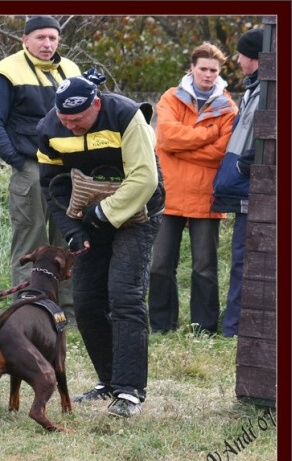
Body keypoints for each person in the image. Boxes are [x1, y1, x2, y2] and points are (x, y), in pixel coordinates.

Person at [36, 72, 165, 417]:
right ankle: (107, 381)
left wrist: (104, 214)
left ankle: (130, 392)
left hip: (138, 212)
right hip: (89, 217)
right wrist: (72, 231)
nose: (72, 127)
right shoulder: (50, 128)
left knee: (124, 295)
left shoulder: (125, 116)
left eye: (78, 120)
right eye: (65, 120)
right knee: (88, 301)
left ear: (96, 104)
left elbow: (145, 177)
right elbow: (52, 186)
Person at [0, 16, 81, 320]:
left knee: (68, 240)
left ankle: (68, 313)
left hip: (67, 169)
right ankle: (29, 311)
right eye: (40, 38)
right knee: (32, 241)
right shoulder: (7, 71)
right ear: (25, 40)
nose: (47, 44)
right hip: (32, 167)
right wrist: (19, 161)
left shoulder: (71, 70)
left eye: (53, 38)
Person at [148, 42, 238, 335]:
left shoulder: (228, 106)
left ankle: (205, 328)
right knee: (160, 264)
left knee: (205, 267)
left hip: (206, 196)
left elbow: (221, 153)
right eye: (203, 69)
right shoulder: (170, 98)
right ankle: (162, 325)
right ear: (192, 68)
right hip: (168, 193)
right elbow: (166, 138)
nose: (208, 75)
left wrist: (180, 149)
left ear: (219, 72)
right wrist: (208, 134)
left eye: (213, 70)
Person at [212, 29, 264, 337]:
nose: (239, 60)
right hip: (245, 188)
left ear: (254, 58)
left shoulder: (269, 91)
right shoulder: (254, 91)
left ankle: (235, 329)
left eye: (242, 55)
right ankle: (233, 326)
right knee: (242, 261)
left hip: (254, 190)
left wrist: (246, 164)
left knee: (246, 262)